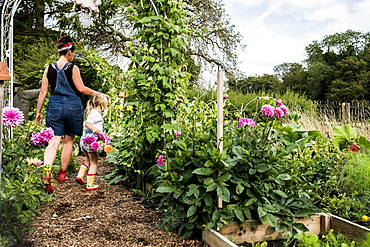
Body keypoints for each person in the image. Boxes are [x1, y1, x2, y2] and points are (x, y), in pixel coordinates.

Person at [36, 35, 101, 194]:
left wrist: (38, 112)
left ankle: (46, 172)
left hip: (55, 106)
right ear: (69, 52)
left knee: (53, 142)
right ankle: (62, 175)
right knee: (68, 141)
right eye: (73, 52)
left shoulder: (48, 68)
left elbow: (43, 91)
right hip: (73, 106)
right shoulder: (73, 68)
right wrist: (97, 93)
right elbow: (81, 88)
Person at [75, 93, 109, 191]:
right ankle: (90, 184)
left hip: (85, 141)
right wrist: (95, 129)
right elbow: (87, 123)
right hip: (91, 142)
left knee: (88, 159)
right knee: (94, 162)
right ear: (102, 105)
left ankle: (80, 176)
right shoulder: (95, 114)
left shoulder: (92, 112)